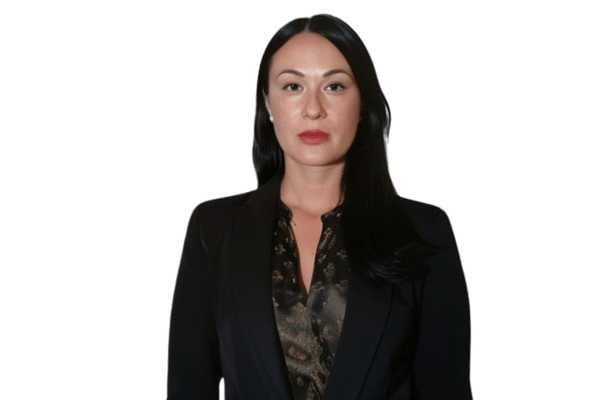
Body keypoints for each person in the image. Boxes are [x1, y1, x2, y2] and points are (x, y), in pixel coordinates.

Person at [167, 12, 472, 400]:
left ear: (362, 105)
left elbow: (447, 390)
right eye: (293, 86)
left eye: (334, 86)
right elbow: (189, 387)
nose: (313, 109)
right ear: (268, 104)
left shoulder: (425, 230)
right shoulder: (212, 229)